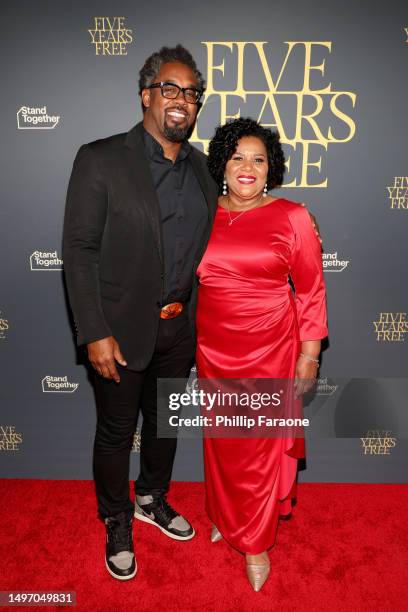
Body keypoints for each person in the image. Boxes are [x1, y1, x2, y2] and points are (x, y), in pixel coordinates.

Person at [62, 45, 218, 580]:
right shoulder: (102, 158)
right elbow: (79, 250)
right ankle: (117, 517)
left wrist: (294, 222)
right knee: (115, 431)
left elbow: (229, 229)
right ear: (146, 95)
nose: (182, 101)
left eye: (191, 94)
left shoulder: (202, 168)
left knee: (165, 426)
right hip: (121, 329)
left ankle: (152, 498)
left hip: (179, 328)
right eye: (170, 89)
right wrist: (94, 331)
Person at [195, 117, 328, 591]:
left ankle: (254, 543)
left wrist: (308, 357)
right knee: (222, 444)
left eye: (258, 159)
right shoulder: (201, 213)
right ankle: (225, 518)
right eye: (237, 157)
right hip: (213, 350)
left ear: (271, 169)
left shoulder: (292, 216)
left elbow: (311, 290)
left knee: (255, 451)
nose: (247, 167)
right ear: (222, 164)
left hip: (269, 348)